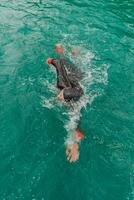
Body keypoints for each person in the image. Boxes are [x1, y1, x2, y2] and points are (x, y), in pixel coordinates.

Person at [46, 44, 84, 162]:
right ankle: (63, 50)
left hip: (75, 79)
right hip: (73, 77)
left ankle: (69, 51)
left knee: (65, 61)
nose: (58, 97)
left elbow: (80, 93)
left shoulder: (74, 98)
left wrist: (73, 143)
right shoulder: (61, 84)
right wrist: (51, 61)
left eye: (60, 96)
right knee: (62, 60)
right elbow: (57, 63)